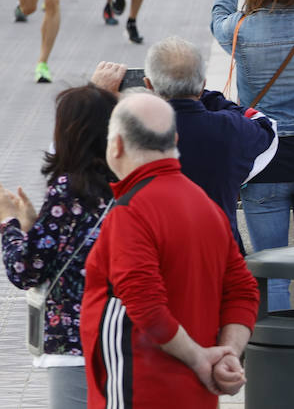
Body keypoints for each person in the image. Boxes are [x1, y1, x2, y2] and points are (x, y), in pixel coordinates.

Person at [81, 93, 258, 405]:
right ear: (174, 140)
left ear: (117, 145)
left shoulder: (131, 212)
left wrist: (200, 359)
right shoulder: (205, 204)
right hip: (195, 395)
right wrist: (228, 352)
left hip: (138, 389)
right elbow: (243, 290)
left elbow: (144, 304)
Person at [0, 85, 118, 409]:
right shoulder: (122, 183)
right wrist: (32, 224)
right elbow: (75, 247)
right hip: (121, 335)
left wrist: (8, 222)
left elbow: (26, 269)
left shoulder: (69, 188)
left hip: (75, 340)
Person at [90, 42, 277, 251]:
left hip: (153, 254)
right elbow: (266, 125)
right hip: (219, 257)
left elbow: (75, 148)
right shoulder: (230, 128)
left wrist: (97, 97)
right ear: (202, 83)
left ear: (148, 85)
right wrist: (203, 96)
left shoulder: (129, 132)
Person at [211, 0, 294, 309]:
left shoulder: (242, 29)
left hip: (265, 158)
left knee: (272, 268)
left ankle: (276, 361)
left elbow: (218, 15)